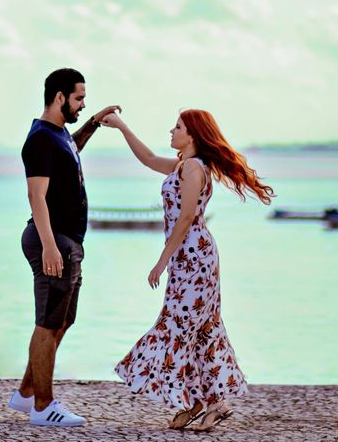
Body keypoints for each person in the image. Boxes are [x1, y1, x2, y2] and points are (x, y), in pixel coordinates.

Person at [103, 108, 274, 431]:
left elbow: (186, 219)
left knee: (183, 328)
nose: (171, 130)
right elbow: (150, 159)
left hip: (194, 258)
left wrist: (162, 259)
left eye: (178, 126)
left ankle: (208, 402)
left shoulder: (194, 169)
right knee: (196, 330)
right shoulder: (184, 165)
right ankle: (203, 402)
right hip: (189, 258)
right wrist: (123, 127)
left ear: (192, 135)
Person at [8, 68, 120, 427]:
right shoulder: (40, 138)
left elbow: (72, 147)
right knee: (48, 323)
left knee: (63, 321)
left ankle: (25, 393)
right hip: (52, 241)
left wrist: (94, 122)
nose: (82, 104)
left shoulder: (58, 135)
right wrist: (49, 246)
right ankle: (43, 406)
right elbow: (35, 196)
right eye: (78, 98)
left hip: (66, 242)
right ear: (59, 97)